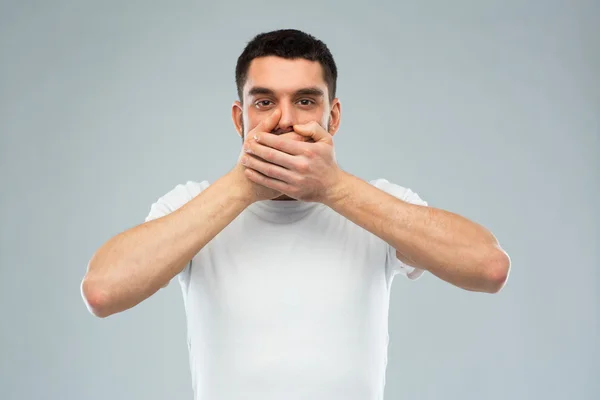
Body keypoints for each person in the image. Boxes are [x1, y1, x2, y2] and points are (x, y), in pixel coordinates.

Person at [81, 29, 511, 400]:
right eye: (264, 103)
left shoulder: (376, 203)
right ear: (239, 119)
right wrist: (244, 186)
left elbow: (489, 267)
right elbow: (102, 292)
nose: (284, 120)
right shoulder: (190, 204)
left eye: (305, 101)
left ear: (333, 116)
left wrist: (334, 188)